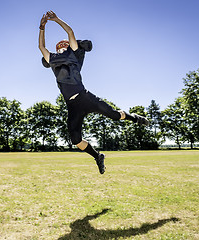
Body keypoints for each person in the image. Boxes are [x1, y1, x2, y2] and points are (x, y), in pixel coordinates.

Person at [38, 11, 149, 174]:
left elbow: (70, 32)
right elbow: (41, 46)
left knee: (115, 115)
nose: (62, 48)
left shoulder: (74, 55)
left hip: (85, 97)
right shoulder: (53, 61)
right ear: (56, 50)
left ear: (68, 46)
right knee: (76, 140)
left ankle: (135, 118)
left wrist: (55, 20)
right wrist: (42, 27)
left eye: (65, 45)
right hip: (72, 105)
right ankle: (97, 156)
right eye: (59, 47)